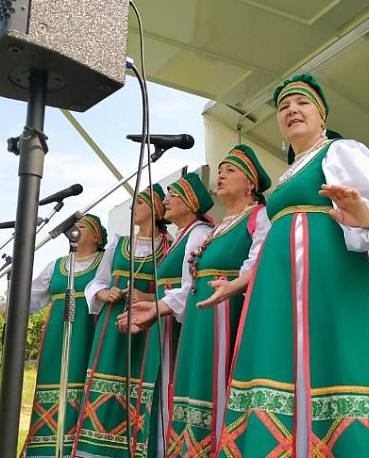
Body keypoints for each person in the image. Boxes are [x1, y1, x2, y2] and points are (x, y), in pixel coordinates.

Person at [210, 74, 369, 457]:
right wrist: (240, 283)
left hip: (327, 277)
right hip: (277, 288)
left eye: (301, 103)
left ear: (322, 116)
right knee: (277, 368)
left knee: (330, 361)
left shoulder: (339, 152)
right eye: (283, 108)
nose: (291, 111)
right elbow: (266, 245)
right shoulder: (287, 176)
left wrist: (364, 215)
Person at [165, 145, 271, 457]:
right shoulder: (220, 227)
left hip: (228, 316)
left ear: (250, 183)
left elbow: (260, 260)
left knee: (218, 389)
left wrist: (235, 285)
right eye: (220, 170)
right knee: (193, 389)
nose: (221, 176)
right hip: (202, 320)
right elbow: (191, 282)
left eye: (230, 170)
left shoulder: (259, 216)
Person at [116, 172, 215, 457]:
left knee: (170, 392)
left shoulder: (198, 234)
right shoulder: (184, 235)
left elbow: (190, 287)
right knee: (161, 393)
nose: (166, 201)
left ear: (189, 202)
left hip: (179, 326)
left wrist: (156, 306)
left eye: (172, 195)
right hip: (166, 323)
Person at [72, 184, 168, 458]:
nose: (132, 208)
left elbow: (173, 288)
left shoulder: (168, 246)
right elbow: (97, 282)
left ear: (155, 207)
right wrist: (104, 292)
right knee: (108, 375)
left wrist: (149, 296)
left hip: (147, 328)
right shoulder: (119, 243)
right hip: (112, 325)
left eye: (138, 202)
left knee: (140, 383)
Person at [8, 214, 108, 458]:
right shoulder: (58, 265)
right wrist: (9, 304)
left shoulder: (104, 262)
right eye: (73, 226)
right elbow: (32, 295)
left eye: (82, 226)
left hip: (90, 333)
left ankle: (81, 447)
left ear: (96, 236)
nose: (74, 229)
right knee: (54, 380)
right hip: (57, 334)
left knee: (85, 382)